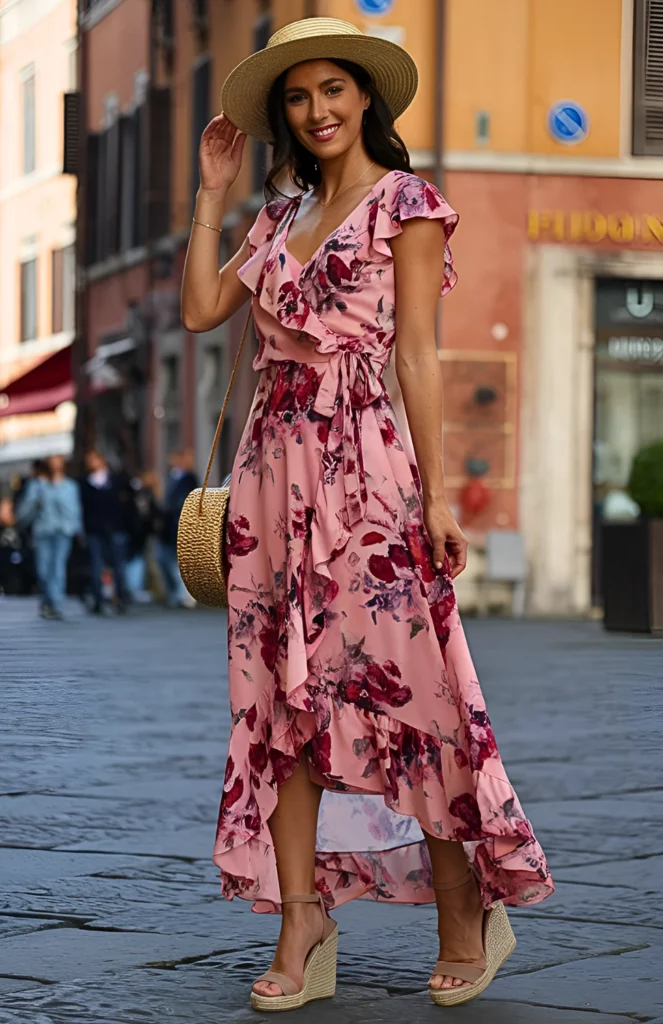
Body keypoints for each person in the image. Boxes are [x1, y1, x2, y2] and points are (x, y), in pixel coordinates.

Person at [182, 17, 553, 1012]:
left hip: (367, 468)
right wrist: (212, 195)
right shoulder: (275, 215)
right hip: (270, 474)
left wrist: (435, 492)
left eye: (332, 89)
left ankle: (462, 907)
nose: (317, 110)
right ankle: (300, 920)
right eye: (298, 97)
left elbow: (416, 356)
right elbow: (198, 311)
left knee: (414, 695)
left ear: (363, 98)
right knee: (279, 701)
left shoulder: (405, 204)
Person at [16, 455, 82, 619]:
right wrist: (35, 503)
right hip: (43, 532)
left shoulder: (69, 486)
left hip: (63, 532)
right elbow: (23, 512)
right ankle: (46, 601)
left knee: (58, 567)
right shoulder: (37, 486)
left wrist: (77, 530)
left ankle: (55, 603)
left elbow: (75, 510)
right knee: (43, 569)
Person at [80, 449, 133, 614]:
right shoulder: (85, 484)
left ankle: (121, 598)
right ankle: (98, 598)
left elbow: (127, 504)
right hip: (94, 530)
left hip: (115, 528)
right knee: (96, 565)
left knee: (119, 566)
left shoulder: (117, 481)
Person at [155, 450, 198, 608]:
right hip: (168, 528)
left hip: (179, 525)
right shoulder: (170, 477)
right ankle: (175, 593)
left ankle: (184, 594)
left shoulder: (189, 478)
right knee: (165, 560)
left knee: (179, 562)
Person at [126, 470, 162, 603]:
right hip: (138, 533)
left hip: (143, 533)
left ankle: (137, 589)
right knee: (137, 561)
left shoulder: (147, 493)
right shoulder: (141, 493)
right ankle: (134, 589)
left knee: (141, 562)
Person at [0, 497, 27, 596]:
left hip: (18, 570)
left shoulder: (20, 530)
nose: (5, 514)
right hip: (2, 568)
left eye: (8, 511)